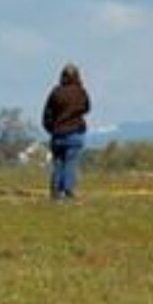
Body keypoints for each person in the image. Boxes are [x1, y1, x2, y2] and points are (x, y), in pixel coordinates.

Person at [41, 63, 90, 201]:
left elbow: (47, 114)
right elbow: (87, 108)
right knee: (70, 163)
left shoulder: (55, 92)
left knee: (58, 164)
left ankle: (55, 193)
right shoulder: (80, 92)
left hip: (57, 134)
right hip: (75, 132)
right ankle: (68, 191)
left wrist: (51, 129)